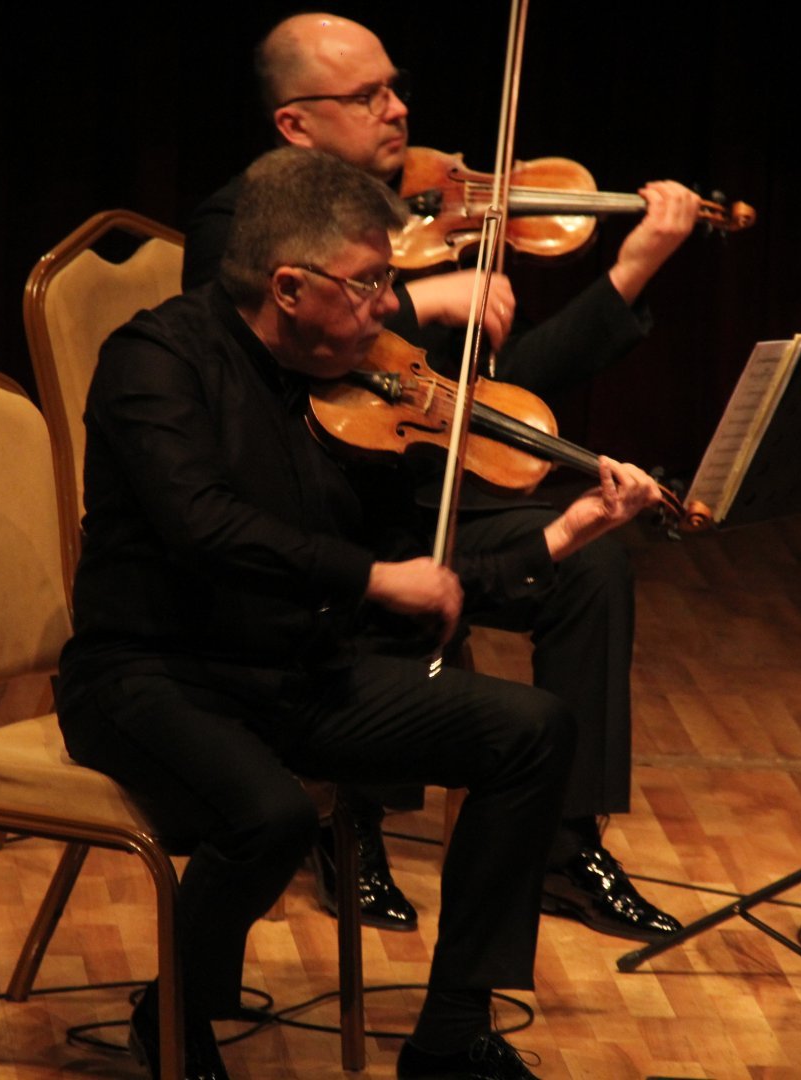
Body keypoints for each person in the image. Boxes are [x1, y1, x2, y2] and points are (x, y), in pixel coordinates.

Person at [57, 146, 664, 1079]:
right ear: (290, 286)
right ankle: (175, 1015)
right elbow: (204, 527)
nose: (391, 307)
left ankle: (453, 1033)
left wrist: (566, 533)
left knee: (532, 730)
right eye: (371, 283)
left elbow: (416, 571)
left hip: (297, 673)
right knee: (271, 816)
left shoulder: (348, 388)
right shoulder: (155, 362)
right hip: (155, 677)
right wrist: (374, 583)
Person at [182, 11, 700, 940]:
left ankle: (563, 845)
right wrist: (422, 297)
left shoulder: (425, 214)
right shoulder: (241, 220)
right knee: (382, 566)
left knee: (594, 565)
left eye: (395, 85)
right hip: (321, 517)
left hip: (422, 495)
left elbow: (500, 401)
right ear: (296, 124)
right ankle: (351, 826)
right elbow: (231, 359)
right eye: (367, 95)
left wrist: (629, 271)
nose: (398, 109)